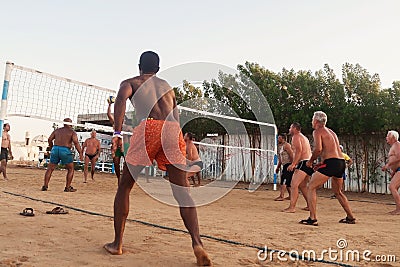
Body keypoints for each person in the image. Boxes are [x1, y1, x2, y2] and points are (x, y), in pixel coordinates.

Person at [104, 51, 211, 265]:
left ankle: (117, 244)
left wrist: (117, 133)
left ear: (139, 66)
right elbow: (176, 117)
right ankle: (197, 243)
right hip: (172, 130)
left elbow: (120, 103)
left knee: (124, 187)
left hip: (149, 128)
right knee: (182, 192)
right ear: (159, 69)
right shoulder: (167, 88)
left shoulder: (131, 82)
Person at [301, 111, 355, 226]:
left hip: (332, 163)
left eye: (312, 119)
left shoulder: (317, 131)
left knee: (311, 187)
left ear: (315, 121)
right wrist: (321, 163)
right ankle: (350, 217)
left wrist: (310, 161)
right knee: (338, 192)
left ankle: (312, 218)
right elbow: (332, 152)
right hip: (340, 162)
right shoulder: (331, 132)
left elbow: (318, 149)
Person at [41, 118, 83, 192]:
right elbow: (76, 143)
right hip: (65, 150)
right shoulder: (72, 132)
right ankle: (67, 187)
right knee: (70, 169)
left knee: (50, 169)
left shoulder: (57, 130)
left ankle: (45, 185)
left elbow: (49, 139)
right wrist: (80, 153)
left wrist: (51, 147)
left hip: (55, 149)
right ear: (71, 124)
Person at [283, 123, 313, 212]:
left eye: (290, 127)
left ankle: (292, 207)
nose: (289, 129)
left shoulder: (296, 137)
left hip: (303, 162)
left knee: (294, 185)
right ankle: (309, 205)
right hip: (308, 162)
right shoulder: (303, 137)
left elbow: (299, 151)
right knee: (303, 186)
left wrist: (293, 164)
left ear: (295, 129)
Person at [107, 100, 132, 184]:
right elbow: (109, 115)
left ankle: (126, 179)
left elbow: (133, 134)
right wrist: (110, 105)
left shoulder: (127, 127)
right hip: (116, 146)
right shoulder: (115, 123)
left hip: (125, 145)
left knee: (127, 164)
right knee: (116, 163)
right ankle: (119, 179)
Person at [382, 130, 400, 215]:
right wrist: (394, 171)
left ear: (393, 137)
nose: (386, 138)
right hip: (397, 170)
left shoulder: (397, 144)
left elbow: (399, 157)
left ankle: (399, 209)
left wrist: (388, 165)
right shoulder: (394, 145)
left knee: (392, 187)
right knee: (393, 187)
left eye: (387, 136)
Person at [274, 134, 294, 201]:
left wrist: (292, 165)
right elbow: (280, 159)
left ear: (283, 139)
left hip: (288, 164)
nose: (278, 139)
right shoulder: (280, 147)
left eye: (279, 138)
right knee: (288, 182)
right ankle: (291, 196)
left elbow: (291, 154)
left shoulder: (287, 145)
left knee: (284, 180)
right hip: (285, 164)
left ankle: (281, 196)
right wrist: (278, 167)